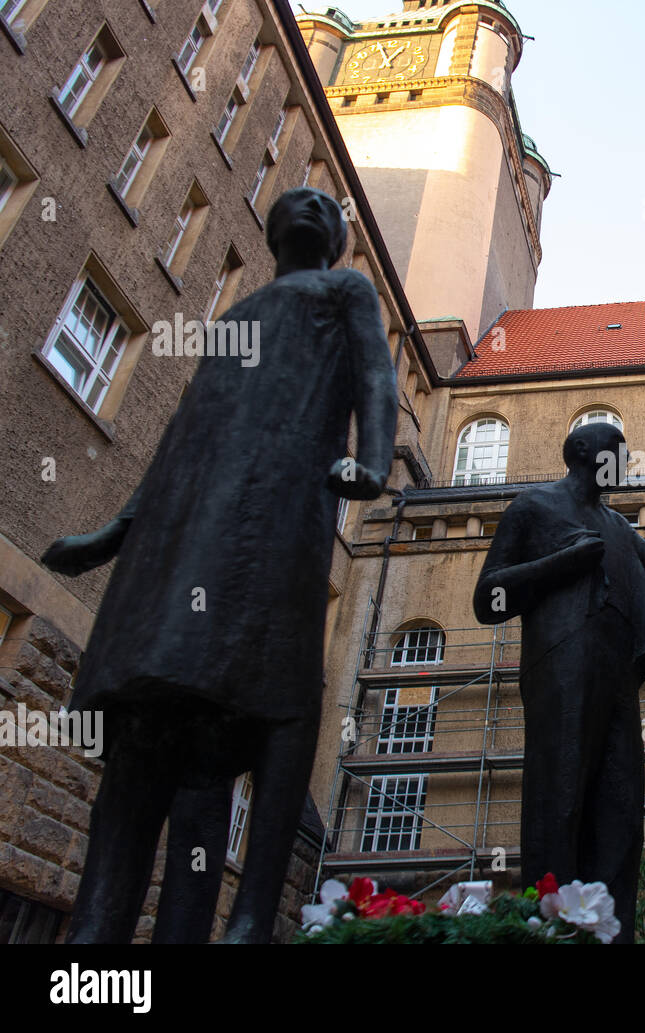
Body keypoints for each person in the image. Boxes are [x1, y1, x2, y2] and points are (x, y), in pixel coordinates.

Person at [42, 187, 397, 943]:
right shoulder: (233, 320)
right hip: (187, 530)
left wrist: (371, 462)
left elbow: (377, 376)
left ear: (337, 237)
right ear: (269, 234)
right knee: (145, 759)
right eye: (292, 200)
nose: (306, 205)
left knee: (239, 722)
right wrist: (112, 533)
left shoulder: (345, 289)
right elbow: (182, 437)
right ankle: (91, 957)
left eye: (321, 205)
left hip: (275, 513)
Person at [473, 423, 645, 942]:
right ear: (580, 452)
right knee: (559, 803)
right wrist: (561, 564)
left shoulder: (618, 527)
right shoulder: (534, 507)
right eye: (615, 450)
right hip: (561, 669)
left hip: (618, 680)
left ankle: (611, 933)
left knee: (620, 815)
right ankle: (552, 930)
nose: (623, 460)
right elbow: (487, 599)